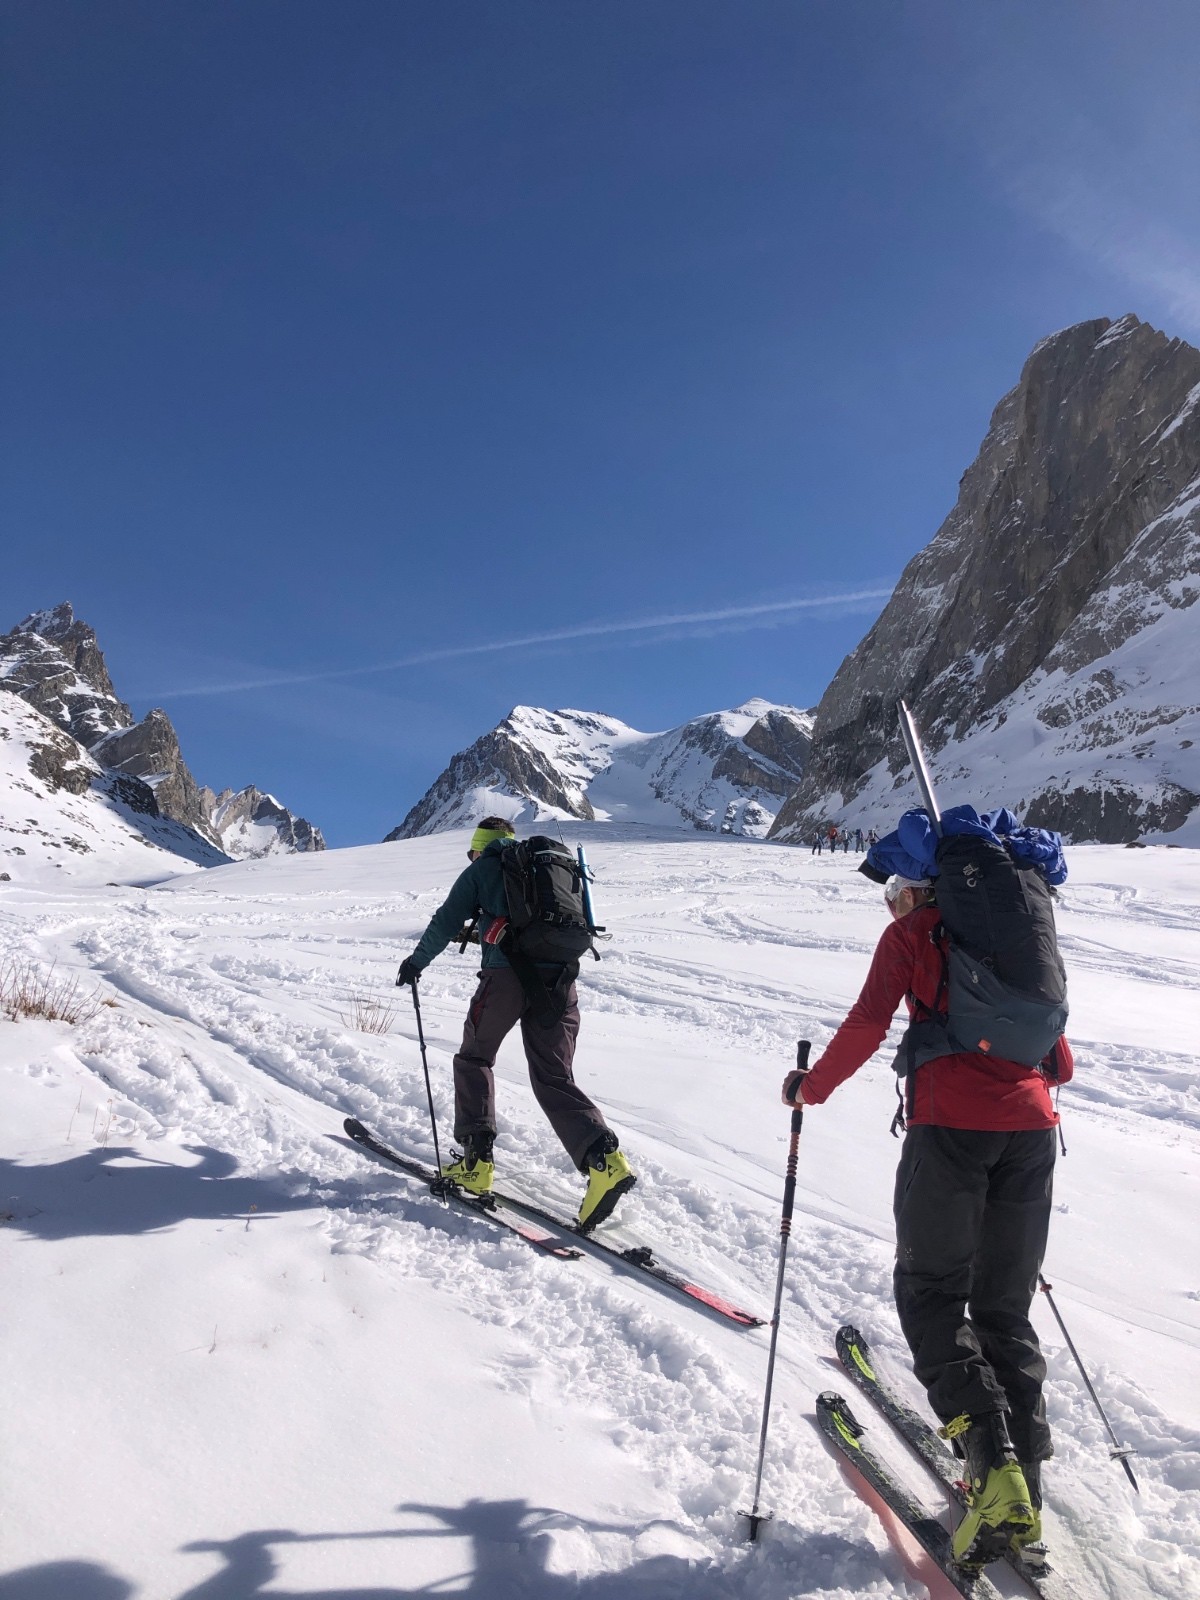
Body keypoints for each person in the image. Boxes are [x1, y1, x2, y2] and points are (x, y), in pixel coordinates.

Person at [781, 872, 1073, 1567]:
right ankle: (1022, 1480)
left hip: (950, 1131)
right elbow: (1060, 1060)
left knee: (931, 1290)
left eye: (893, 893)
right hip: (1032, 1135)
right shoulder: (1015, 941)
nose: (891, 905)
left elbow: (866, 1024)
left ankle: (991, 1465)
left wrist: (809, 1088)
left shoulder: (912, 935)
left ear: (915, 891)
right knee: (1004, 1307)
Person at [396, 818, 636, 1231]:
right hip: (561, 981)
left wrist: (415, 962)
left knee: (475, 1057)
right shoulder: (552, 870)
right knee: (553, 1075)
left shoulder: (485, 867)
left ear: (480, 847)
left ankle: (476, 1161)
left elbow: (447, 920)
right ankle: (605, 1160)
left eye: (472, 851)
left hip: (505, 979)